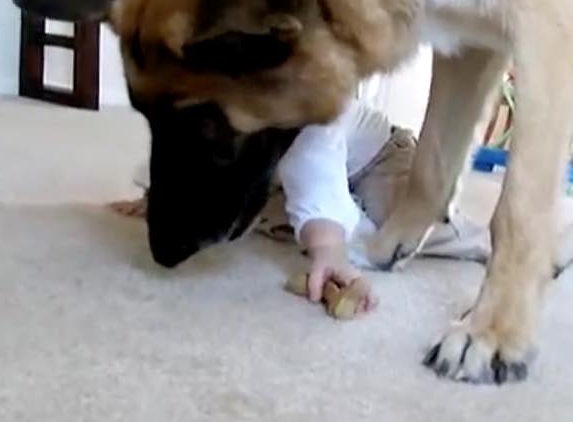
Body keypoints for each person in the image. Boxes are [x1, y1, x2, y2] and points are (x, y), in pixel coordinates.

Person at [110, 99, 489, 315]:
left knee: (398, 227)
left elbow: (314, 160)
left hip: (377, 157)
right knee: (264, 211)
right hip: (280, 176)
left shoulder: (305, 108)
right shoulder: (206, 112)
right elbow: (180, 155)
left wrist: (328, 250)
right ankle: (336, 215)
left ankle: (484, 240)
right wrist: (153, 197)